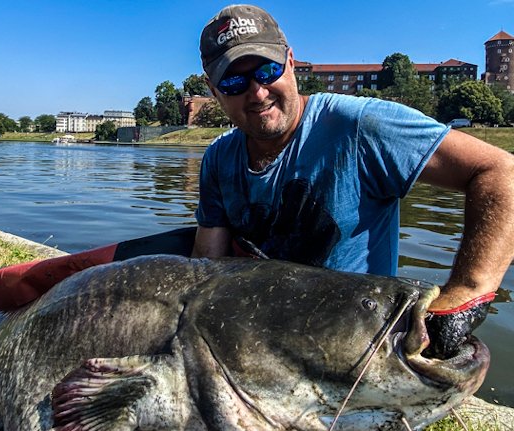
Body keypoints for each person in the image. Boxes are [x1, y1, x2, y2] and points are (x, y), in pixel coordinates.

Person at [193, 4, 514, 355]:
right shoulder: (218, 158)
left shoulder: (359, 127)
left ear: (289, 61)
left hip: (355, 348)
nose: (257, 92)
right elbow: (209, 268)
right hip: (260, 343)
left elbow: (500, 170)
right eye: (234, 81)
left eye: (267, 70)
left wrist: (467, 292)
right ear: (213, 89)